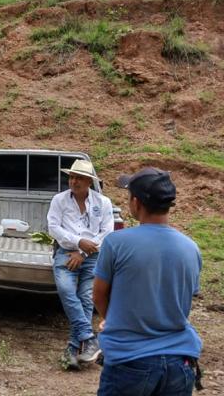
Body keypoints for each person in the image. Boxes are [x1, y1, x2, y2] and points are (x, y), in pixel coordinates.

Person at [93, 167, 202, 395]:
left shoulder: (116, 243)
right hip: (179, 363)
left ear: (136, 202)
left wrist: (114, 320)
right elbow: (180, 299)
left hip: (130, 362)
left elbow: (99, 295)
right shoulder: (191, 248)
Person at [46, 159, 113, 370]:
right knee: (66, 290)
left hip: (91, 256)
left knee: (86, 298)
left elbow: (107, 233)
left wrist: (82, 252)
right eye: (72, 177)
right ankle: (88, 338)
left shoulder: (103, 203)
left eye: (79, 178)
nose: (74, 181)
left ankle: (74, 348)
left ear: (89, 182)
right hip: (66, 254)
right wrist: (77, 243)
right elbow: (53, 227)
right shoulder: (59, 200)